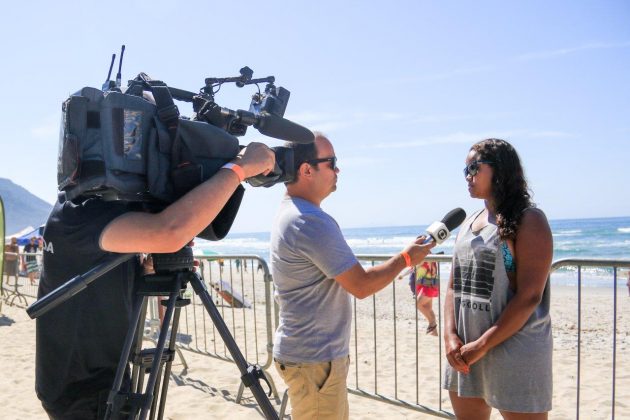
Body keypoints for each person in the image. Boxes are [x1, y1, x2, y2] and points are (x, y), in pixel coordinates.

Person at [36, 143, 275, 419]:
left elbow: (141, 304)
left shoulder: (90, 210)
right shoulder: (80, 212)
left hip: (99, 380)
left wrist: (149, 271)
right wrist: (238, 168)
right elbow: (170, 230)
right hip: (83, 393)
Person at [270, 132, 435, 420]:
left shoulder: (293, 213)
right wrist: (407, 258)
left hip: (308, 356)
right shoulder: (308, 219)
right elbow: (360, 285)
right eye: (331, 163)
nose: (338, 170)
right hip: (314, 359)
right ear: (306, 170)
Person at [443, 138, 553, 419]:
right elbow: (453, 286)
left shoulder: (529, 220)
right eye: (464, 169)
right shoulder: (469, 221)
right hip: (466, 351)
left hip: (514, 351)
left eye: (474, 167)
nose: (468, 176)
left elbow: (529, 295)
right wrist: (449, 336)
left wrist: (482, 345)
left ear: (500, 169)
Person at [409, 260, 439, 335]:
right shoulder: (430, 258)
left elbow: (414, 268)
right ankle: (434, 332)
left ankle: (432, 324)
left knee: (418, 304)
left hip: (428, 286)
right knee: (429, 308)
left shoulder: (425, 258)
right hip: (428, 285)